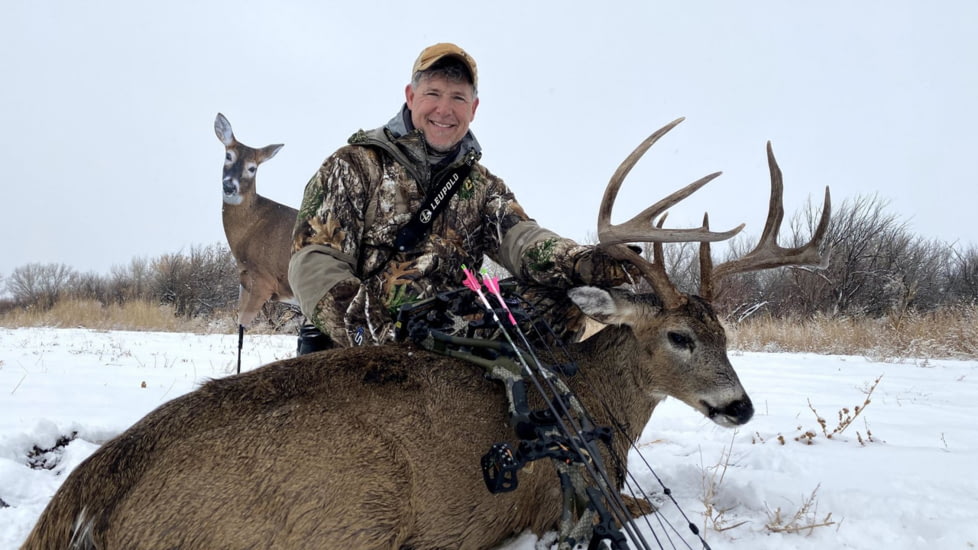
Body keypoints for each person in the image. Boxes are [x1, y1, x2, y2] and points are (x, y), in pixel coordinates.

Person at [289, 43, 633, 352]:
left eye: (458, 98)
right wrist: (376, 335)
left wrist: (582, 261)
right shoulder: (352, 165)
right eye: (433, 93)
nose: (444, 109)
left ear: (474, 108)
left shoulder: (482, 187)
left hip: (451, 338)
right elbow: (314, 264)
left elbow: (523, 240)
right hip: (370, 341)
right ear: (410, 96)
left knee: (566, 299)